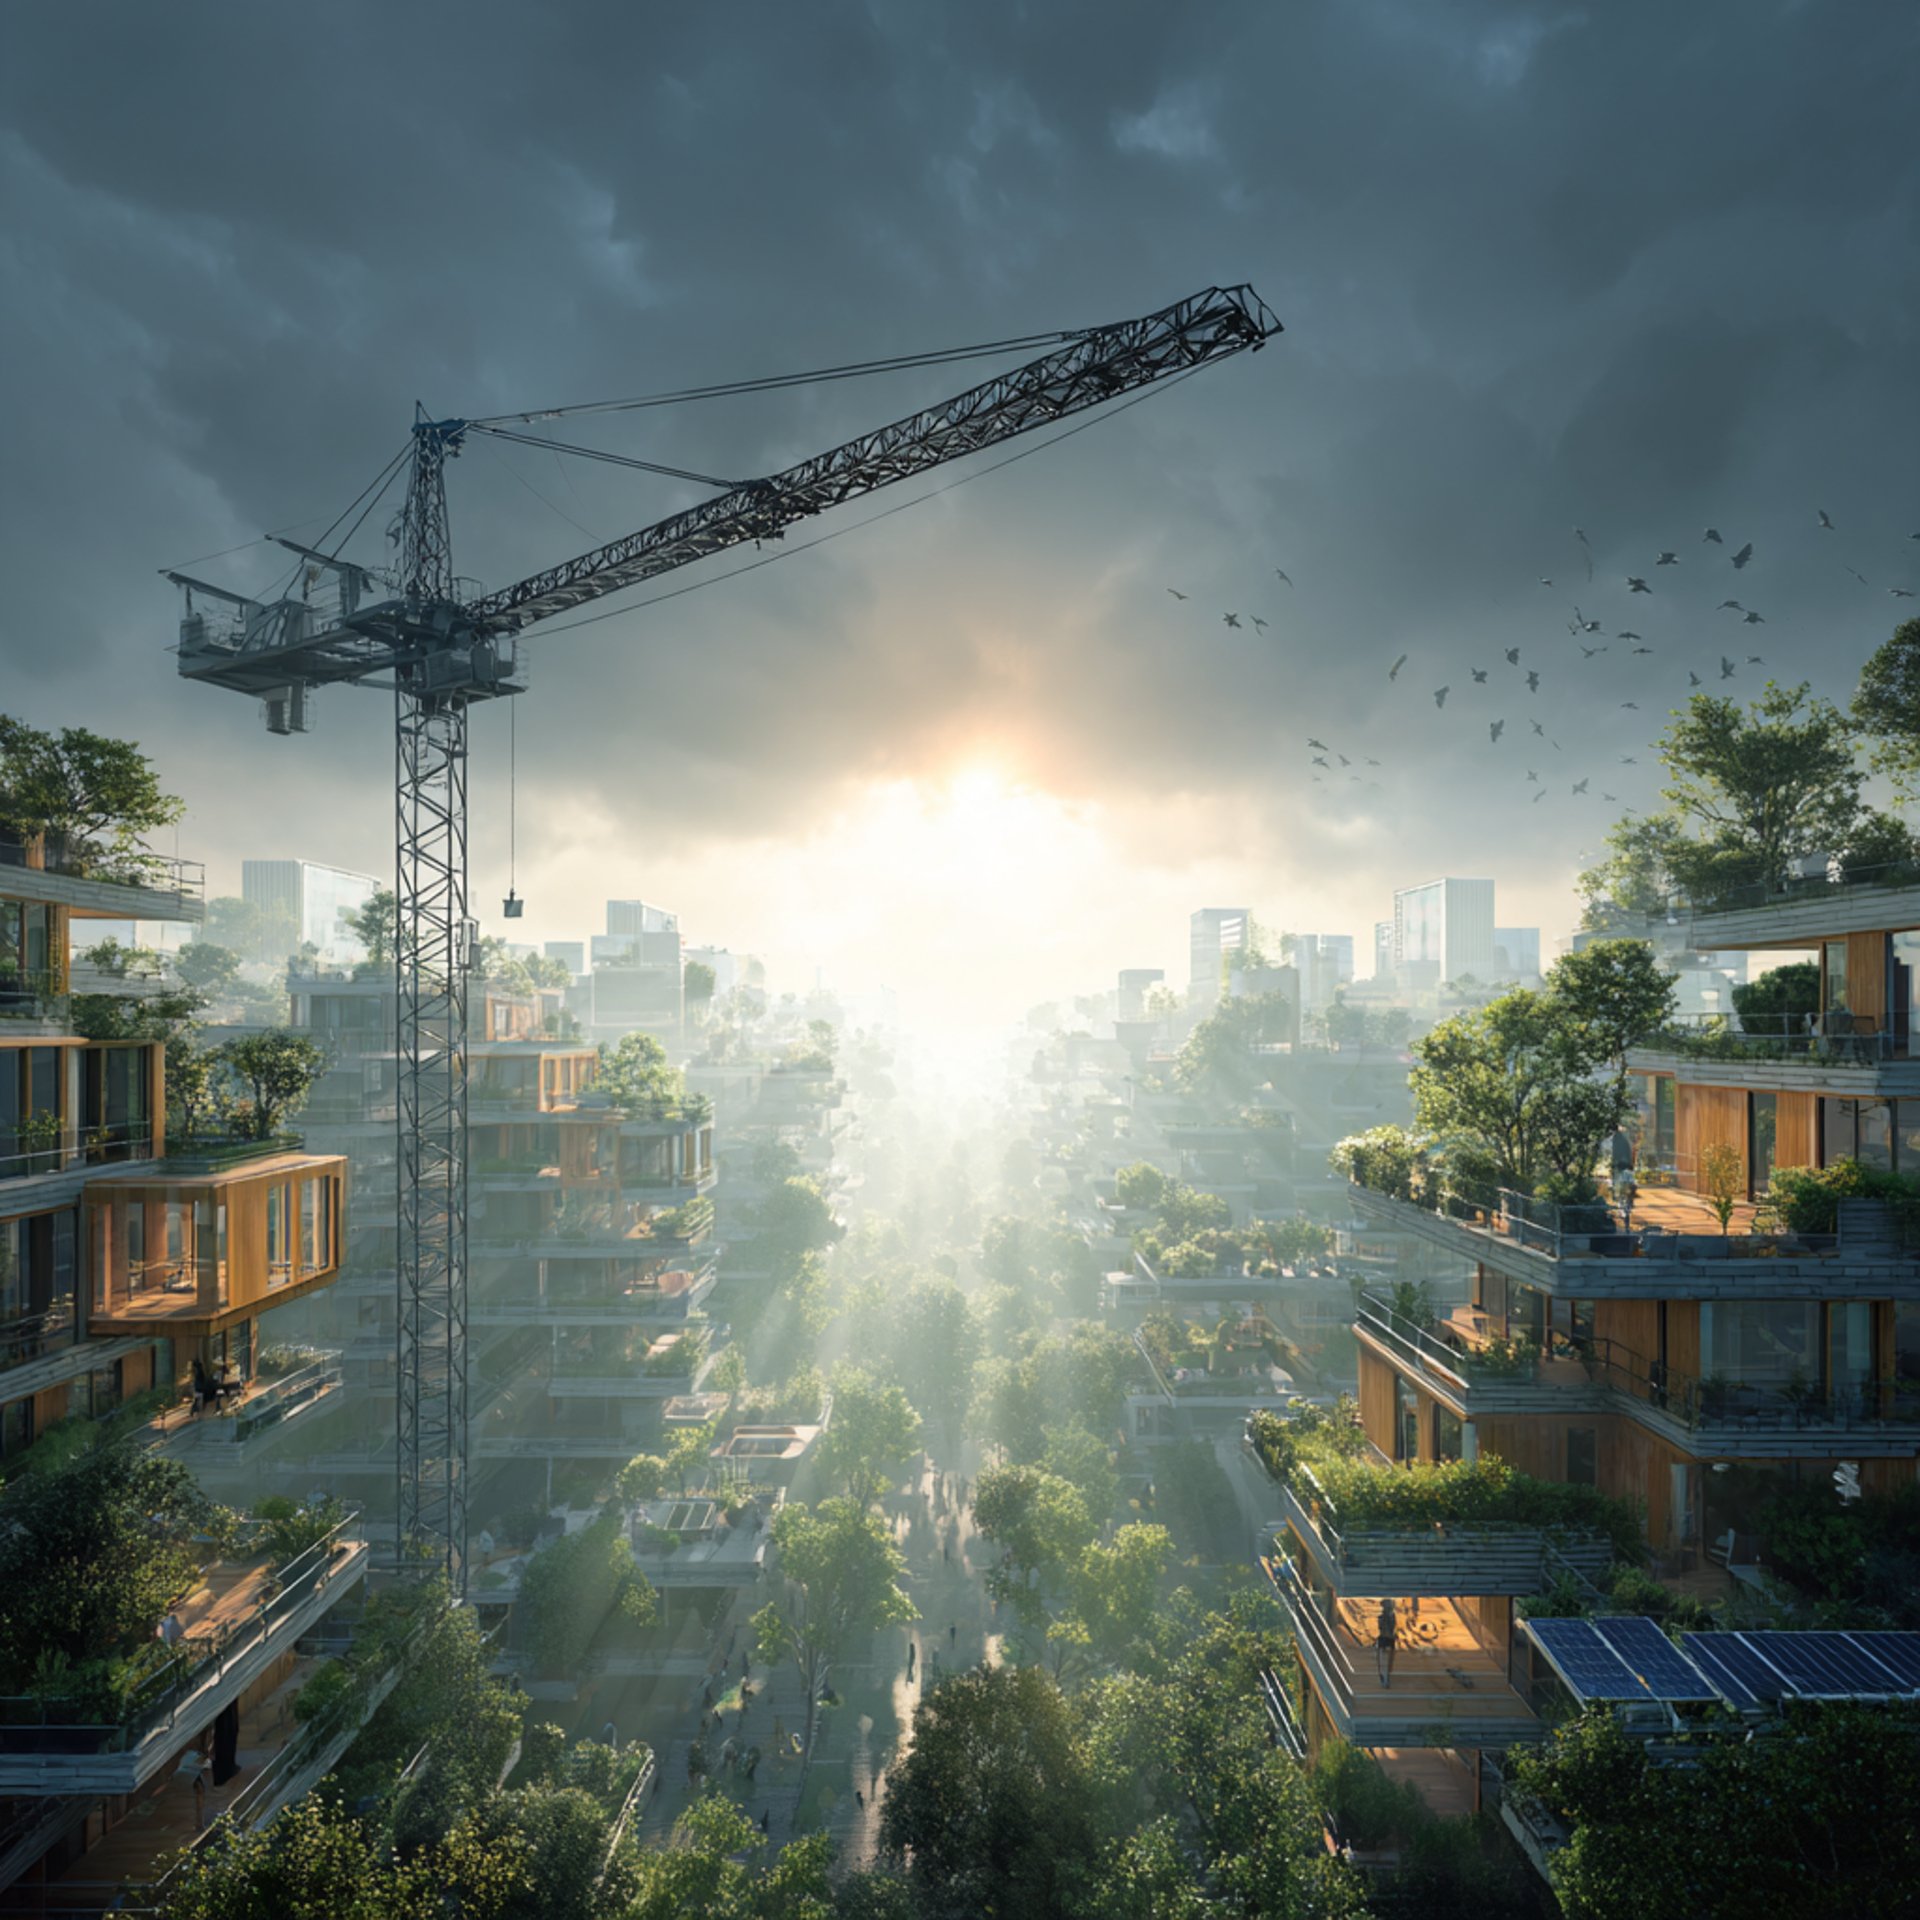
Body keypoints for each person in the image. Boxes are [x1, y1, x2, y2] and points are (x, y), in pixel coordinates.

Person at [177, 1736, 209, 1830]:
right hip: (188, 1768)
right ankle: (199, 1823)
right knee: (199, 1791)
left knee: (200, 1791)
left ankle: (199, 1823)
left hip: (190, 1768)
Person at [1375, 1599, 1398, 1688]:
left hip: (1387, 1639)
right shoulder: (1385, 1617)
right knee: (1385, 1661)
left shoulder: (1388, 1617)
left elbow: (1388, 1627)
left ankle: (1385, 1678)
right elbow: (1385, 1628)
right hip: (1386, 1639)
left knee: (1386, 1661)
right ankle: (1385, 1678)